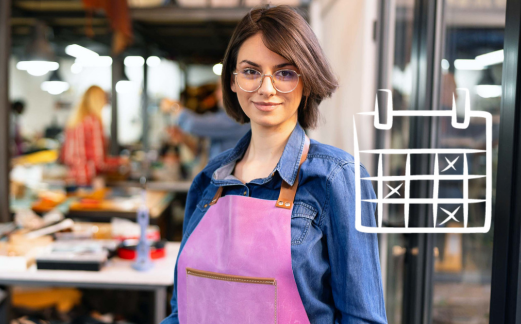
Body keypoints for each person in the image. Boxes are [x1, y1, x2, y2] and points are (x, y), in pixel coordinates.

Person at [162, 5, 387, 324]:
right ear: (233, 81)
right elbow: (182, 309)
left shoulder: (336, 178)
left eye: (285, 72)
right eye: (251, 71)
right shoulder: (209, 180)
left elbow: (363, 318)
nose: (266, 88)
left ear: (306, 81)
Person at [161, 80, 251, 160]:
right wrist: (184, 139)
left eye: (219, 89)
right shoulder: (223, 116)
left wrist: (174, 107)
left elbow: (192, 123)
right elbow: (200, 152)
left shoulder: (236, 118)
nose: (216, 94)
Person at [61, 85, 125, 186]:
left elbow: (66, 156)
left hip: (72, 179)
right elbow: (99, 163)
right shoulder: (93, 122)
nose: (105, 102)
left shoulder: (74, 121)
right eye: (104, 98)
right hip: (88, 181)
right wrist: (120, 162)